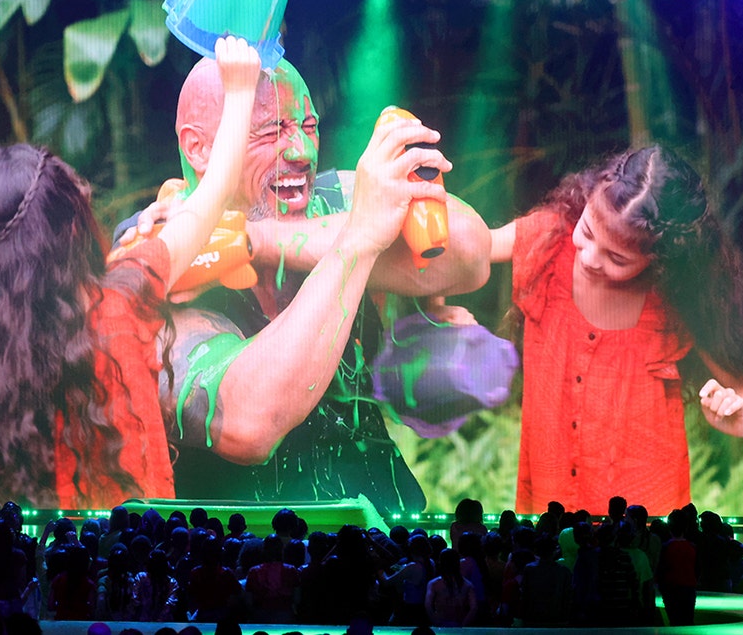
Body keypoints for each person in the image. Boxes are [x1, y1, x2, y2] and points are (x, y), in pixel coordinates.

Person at [0, 36, 262, 508]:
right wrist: (239, 90)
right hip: (138, 560)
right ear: (72, 231)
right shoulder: (125, 299)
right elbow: (214, 194)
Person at [126, 53, 490, 514]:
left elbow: (470, 253)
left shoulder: (330, 200)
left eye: (309, 126)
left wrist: (255, 239)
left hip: (384, 537)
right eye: (271, 131)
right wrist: (358, 242)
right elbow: (248, 422)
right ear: (199, 148)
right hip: (242, 559)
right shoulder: (153, 247)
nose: (301, 151)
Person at [487, 145, 743, 514]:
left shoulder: (676, 295)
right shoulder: (549, 238)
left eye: (617, 258)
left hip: (645, 508)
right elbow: (471, 247)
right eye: (587, 231)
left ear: (660, 259)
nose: (589, 258)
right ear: (587, 200)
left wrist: (740, 413)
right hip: (550, 501)